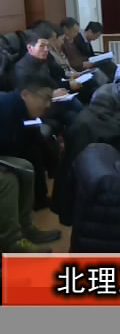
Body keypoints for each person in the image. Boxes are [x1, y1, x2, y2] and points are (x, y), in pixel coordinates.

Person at [0, 75, 62, 252]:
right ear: (26, 94)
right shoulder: (4, 107)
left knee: (25, 167)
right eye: (45, 98)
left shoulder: (25, 113)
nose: (48, 105)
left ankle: (26, 229)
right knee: (6, 180)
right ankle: (12, 242)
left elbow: (37, 141)